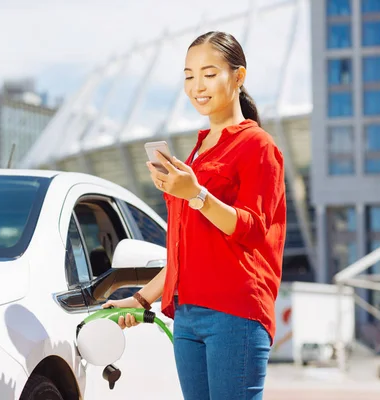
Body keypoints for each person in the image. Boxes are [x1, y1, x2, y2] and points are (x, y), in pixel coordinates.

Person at [103, 31, 287, 400]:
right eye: (188, 75)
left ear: (239, 77)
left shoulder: (258, 146)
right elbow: (186, 251)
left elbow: (252, 229)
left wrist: (198, 195)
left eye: (208, 73)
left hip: (235, 313)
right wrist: (140, 299)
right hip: (187, 316)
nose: (196, 86)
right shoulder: (198, 151)